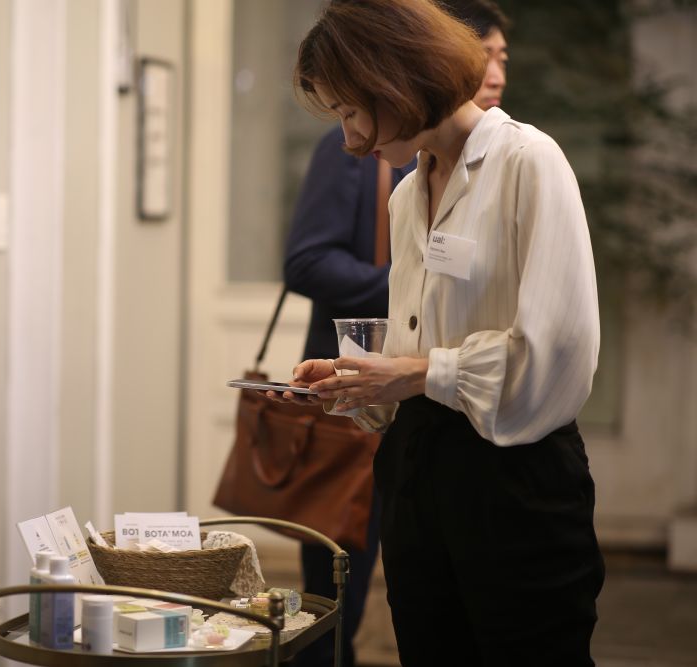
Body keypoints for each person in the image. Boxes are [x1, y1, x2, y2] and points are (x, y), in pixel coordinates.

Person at [282, 0, 605, 664]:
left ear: (393, 79)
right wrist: (362, 382)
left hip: (514, 482)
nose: (350, 140)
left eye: (350, 112)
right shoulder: (407, 193)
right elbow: (412, 349)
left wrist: (420, 373)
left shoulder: (528, 162)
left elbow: (558, 356)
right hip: (415, 474)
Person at [284, 2, 510, 665]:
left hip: (419, 407)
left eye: (501, 58)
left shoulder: (505, 162)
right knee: (334, 587)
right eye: (486, 54)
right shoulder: (361, 151)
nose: (494, 71)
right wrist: (407, 282)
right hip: (354, 383)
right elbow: (305, 260)